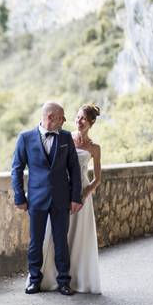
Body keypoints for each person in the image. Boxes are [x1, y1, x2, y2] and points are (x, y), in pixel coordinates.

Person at [11, 102, 82, 295]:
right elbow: (16, 169)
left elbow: (74, 170)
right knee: (36, 241)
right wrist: (19, 197)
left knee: (61, 241)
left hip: (61, 199)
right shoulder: (25, 138)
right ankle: (34, 280)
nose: (65, 120)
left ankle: (64, 282)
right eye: (62, 117)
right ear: (50, 117)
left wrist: (76, 197)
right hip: (36, 199)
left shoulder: (66, 137)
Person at [43, 104, 102, 293]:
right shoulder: (65, 138)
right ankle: (54, 277)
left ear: (91, 122)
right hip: (62, 191)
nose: (79, 121)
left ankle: (78, 279)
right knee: (58, 234)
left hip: (82, 195)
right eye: (77, 117)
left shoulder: (94, 148)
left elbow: (98, 179)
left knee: (79, 236)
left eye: (83, 118)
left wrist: (85, 193)